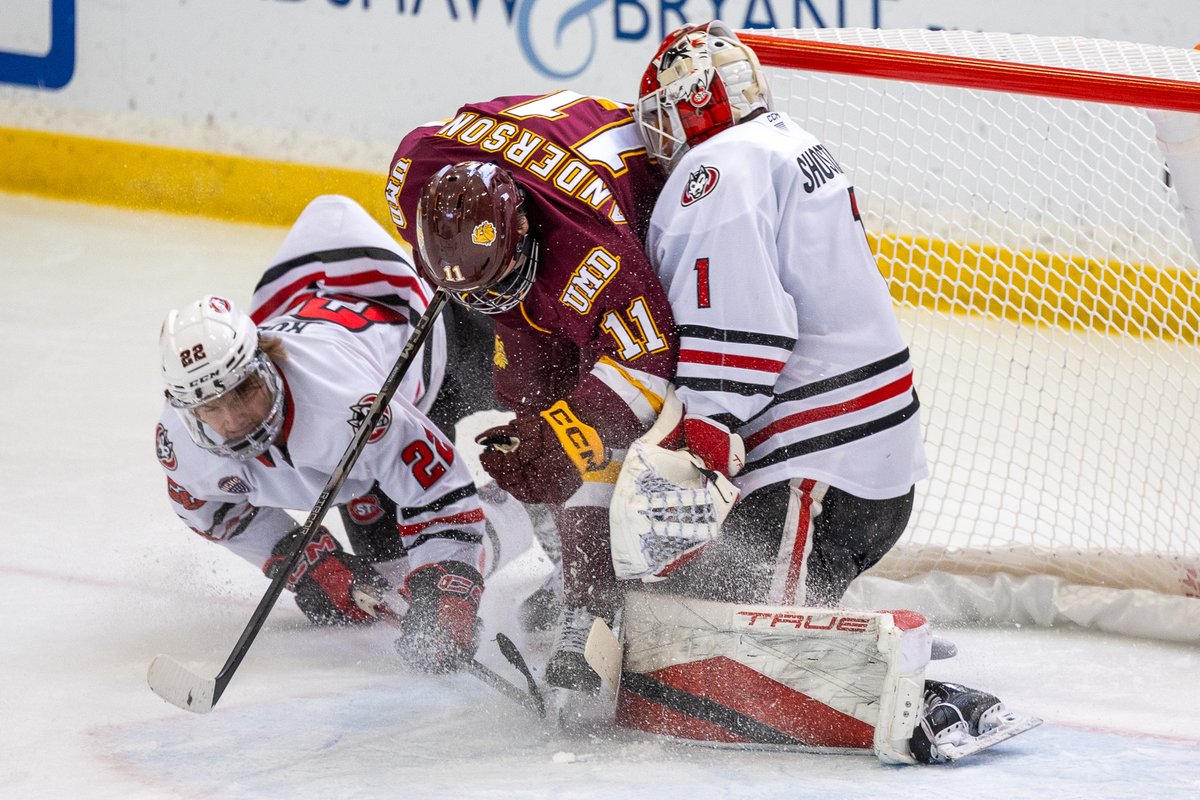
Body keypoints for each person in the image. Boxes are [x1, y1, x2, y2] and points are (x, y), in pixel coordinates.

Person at [627, 20, 1031, 763]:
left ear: (691, 106)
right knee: (706, 603)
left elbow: (740, 317)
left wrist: (709, 425)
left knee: (725, 644)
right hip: (873, 468)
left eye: (664, 111)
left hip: (815, 477)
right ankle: (844, 631)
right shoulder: (788, 140)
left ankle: (923, 698)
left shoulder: (717, 170)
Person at [384, 92, 679, 691]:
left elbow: (649, 364)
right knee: (528, 413)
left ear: (520, 229)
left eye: (497, 283)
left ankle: (595, 597)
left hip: (627, 229)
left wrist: (572, 430)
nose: (483, 306)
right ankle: (573, 561)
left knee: (578, 430)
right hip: (544, 212)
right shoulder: (414, 177)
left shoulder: (592, 249)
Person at [155, 194, 487, 674]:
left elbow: (439, 489)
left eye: (244, 391)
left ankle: (524, 524)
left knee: (539, 444)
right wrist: (304, 560)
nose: (233, 420)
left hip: (439, 344)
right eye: (210, 406)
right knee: (391, 571)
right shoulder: (181, 444)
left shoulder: (347, 408)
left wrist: (448, 582)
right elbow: (212, 510)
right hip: (335, 344)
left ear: (266, 363)